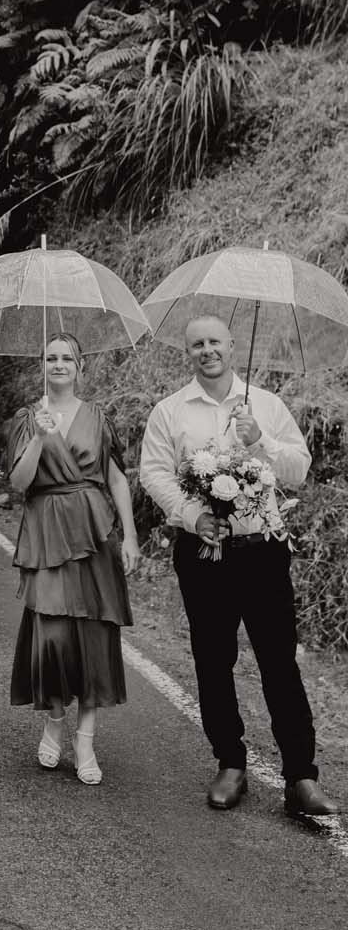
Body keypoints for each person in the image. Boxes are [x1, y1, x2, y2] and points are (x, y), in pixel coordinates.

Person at [140, 314, 339, 816]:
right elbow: (154, 474)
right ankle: (230, 763)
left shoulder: (266, 405)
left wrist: (259, 441)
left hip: (263, 552)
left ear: (232, 346)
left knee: (278, 663)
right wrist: (193, 515)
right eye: (197, 344)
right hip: (202, 554)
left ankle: (301, 777)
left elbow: (298, 470)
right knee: (213, 661)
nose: (207, 350)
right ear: (187, 353)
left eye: (214, 342)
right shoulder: (170, 411)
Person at [6, 335, 139, 785]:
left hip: (94, 529)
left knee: (94, 632)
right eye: (50, 358)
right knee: (52, 634)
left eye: (67, 358)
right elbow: (21, 482)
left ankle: (86, 737)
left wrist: (130, 536)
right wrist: (42, 439)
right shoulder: (28, 417)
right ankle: (54, 721)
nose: (58, 364)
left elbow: (117, 480)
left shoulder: (99, 416)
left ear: (80, 366)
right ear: (41, 365)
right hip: (46, 528)